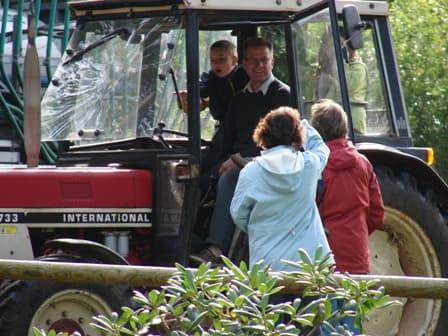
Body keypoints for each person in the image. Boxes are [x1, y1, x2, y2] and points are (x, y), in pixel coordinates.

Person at [189, 37, 291, 265]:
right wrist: (199, 165)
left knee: (229, 178)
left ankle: (216, 248)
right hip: (236, 159)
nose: (259, 66)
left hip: (267, 164)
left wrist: (240, 161)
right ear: (243, 64)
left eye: (264, 60)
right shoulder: (240, 100)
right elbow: (223, 140)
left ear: (272, 62)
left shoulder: (281, 95)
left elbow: (282, 145)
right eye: (254, 61)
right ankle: (189, 242)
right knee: (195, 176)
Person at [310, 99, 384, 333]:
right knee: (352, 322)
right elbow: (376, 213)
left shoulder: (316, 166)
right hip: (356, 255)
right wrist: (358, 232)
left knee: (327, 323)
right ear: (344, 127)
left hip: (325, 256)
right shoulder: (364, 164)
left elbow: (310, 210)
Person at [229, 106, 332, 272]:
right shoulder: (309, 165)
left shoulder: (251, 172)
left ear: (263, 134)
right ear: (297, 135)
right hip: (309, 265)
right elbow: (322, 148)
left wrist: (260, 226)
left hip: (268, 264)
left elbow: (238, 214)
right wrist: (303, 123)